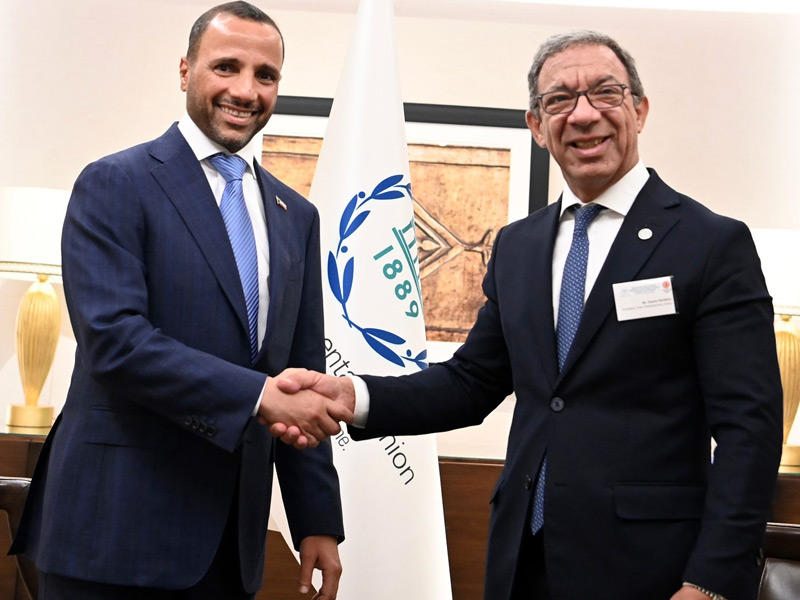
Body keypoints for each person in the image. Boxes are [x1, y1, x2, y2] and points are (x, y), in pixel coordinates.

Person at [272, 30, 783, 600]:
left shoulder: (710, 243)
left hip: (651, 569)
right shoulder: (518, 246)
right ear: (537, 126)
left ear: (639, 110)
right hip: (523, 560)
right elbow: (471, 383)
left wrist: (711, 581)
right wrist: (353, 396)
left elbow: (748, 427)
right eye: (559, 100)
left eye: (605, 93)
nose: (583, 114)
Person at [10, 2, 350, 599]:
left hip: (229, 545)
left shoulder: (297, 216)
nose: (245, 90)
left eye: (265, 75)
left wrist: (315, 517)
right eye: (226, 67)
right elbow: (116, 342)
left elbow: (301, 374)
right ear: (186, 70)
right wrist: (259, 395)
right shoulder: (115, 183)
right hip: (113, 533)